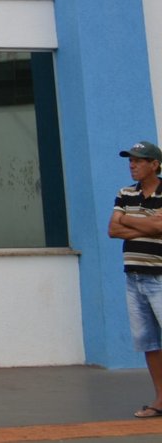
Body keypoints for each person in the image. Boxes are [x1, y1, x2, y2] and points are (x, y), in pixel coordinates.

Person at [109, 140, 162, 419]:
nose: (132, 165)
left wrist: (131, 221)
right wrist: (150, 225)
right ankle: (161, 400)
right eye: (130, 160)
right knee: (149, 342)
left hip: (160, 277)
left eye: (139, 160)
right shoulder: (125, 193)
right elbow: (112, 229)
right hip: (134, 277)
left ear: (154, 164)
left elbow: (160, 226)